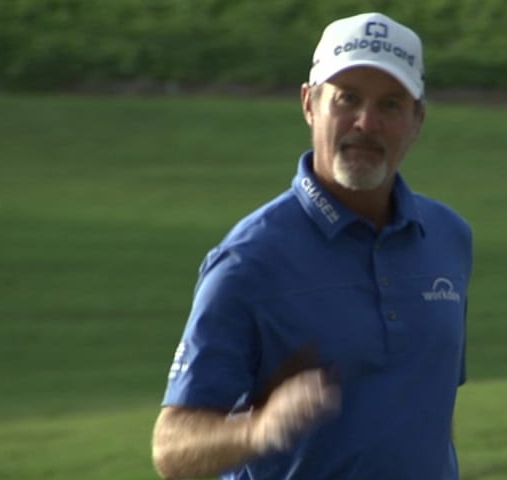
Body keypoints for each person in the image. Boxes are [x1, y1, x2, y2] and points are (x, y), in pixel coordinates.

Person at [150, 11, 473, 480]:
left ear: (417, 119)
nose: (366, 122)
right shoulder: (250, 261)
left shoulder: (448, 237)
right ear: (309, 104)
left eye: (390, 105)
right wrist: (258, 431)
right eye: (348, 99)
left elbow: (431, 404)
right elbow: (171, 450)